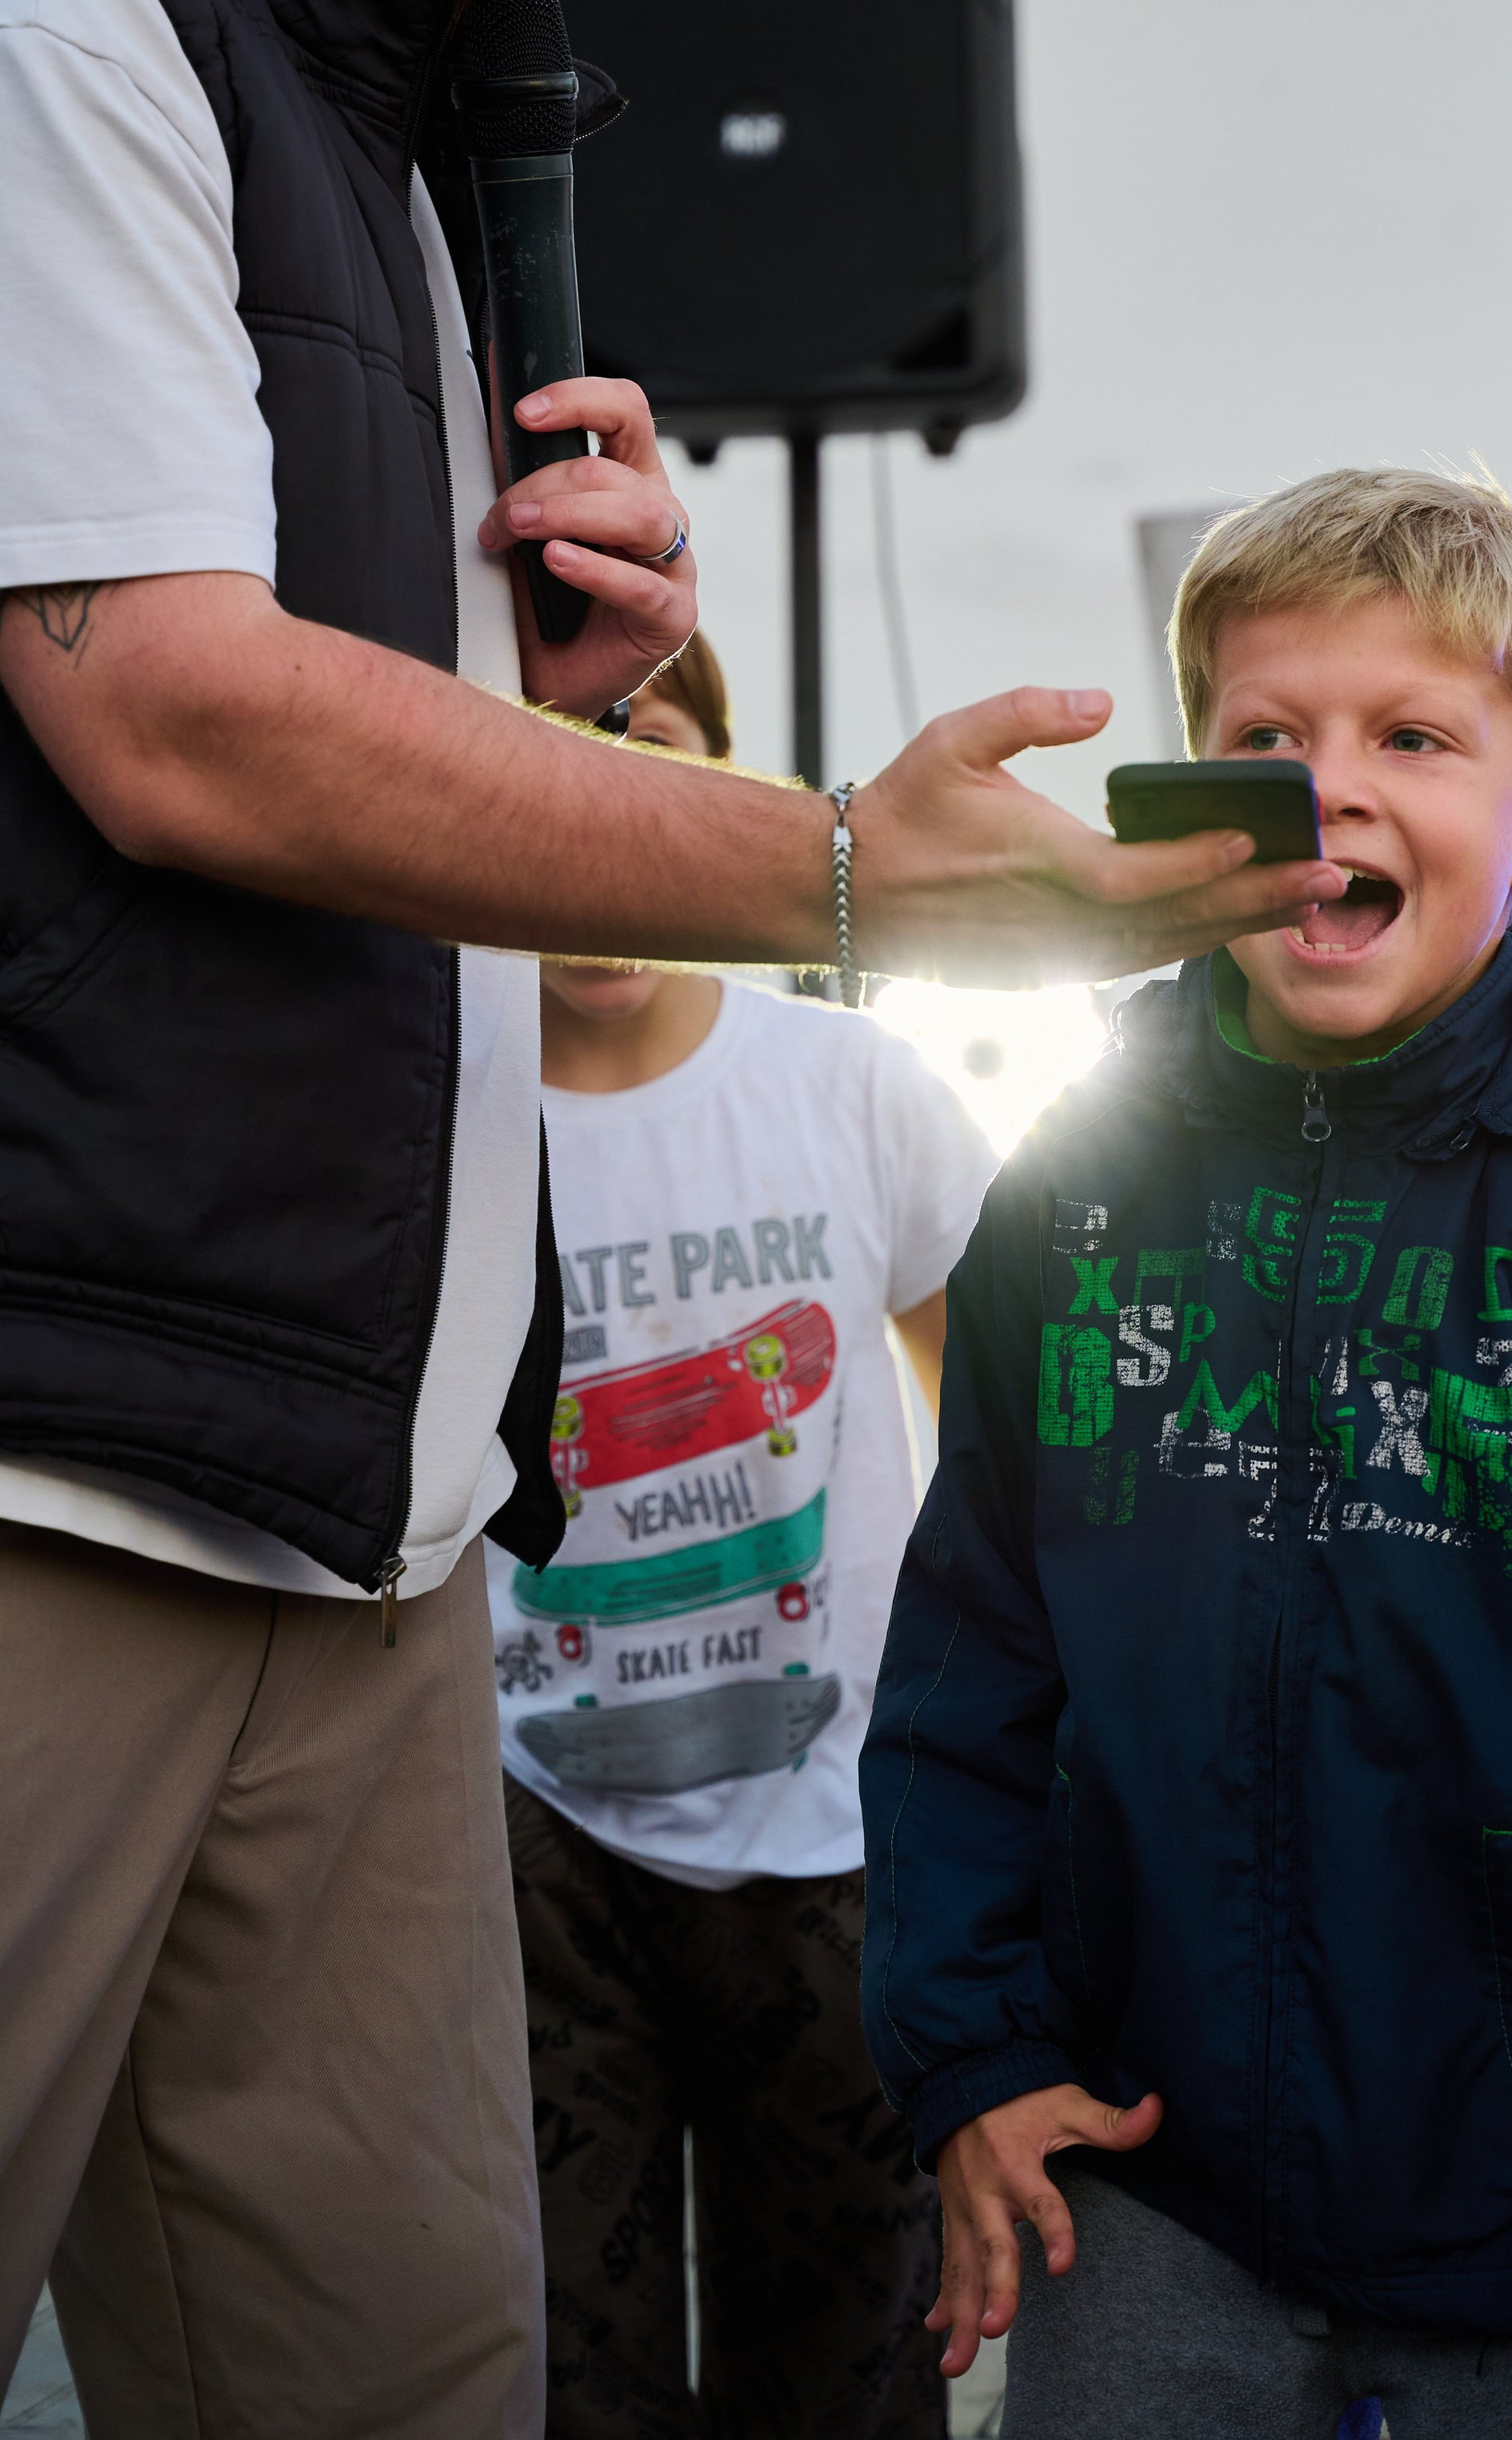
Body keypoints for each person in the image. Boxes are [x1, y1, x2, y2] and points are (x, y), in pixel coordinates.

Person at [0, 0, 1343, 2422]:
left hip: (376, 1525)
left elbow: (357, 775)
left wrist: (553, 720)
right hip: (56, 1460)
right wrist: (849, 868)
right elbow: (162, 712)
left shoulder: (436, 118)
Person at [859, 470, 1512, 2440]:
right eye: (1265, 739)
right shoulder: (1067, 1192)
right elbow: (966, 1668)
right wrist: (965, 2048)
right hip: (1144, 2184)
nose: (1328, 788)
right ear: (1187, 802)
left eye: (1410, 736)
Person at [494, 634, 994, 2439]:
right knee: (562, 2368)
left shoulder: (854, 1089)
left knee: (852, 2367)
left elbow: (997, 1446)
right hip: (531, 1842)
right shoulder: (437, 1111)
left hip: (843, 1841)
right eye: (550, 781)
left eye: (662, 786)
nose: (609, 842)